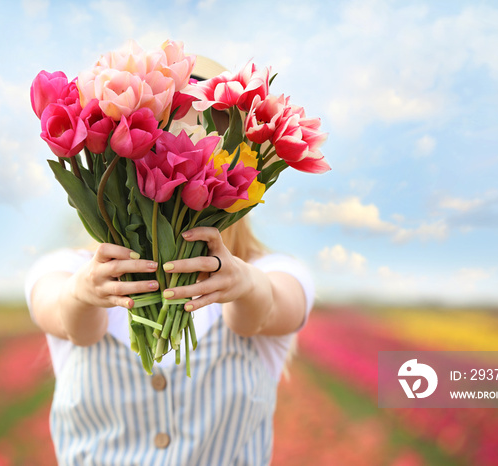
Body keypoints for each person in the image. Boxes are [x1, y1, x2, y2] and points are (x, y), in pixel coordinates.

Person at [25, 55, 316, 466]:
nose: (179, 162)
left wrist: (246, 285)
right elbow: (70, 319)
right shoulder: (70, 271)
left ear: (238, 164)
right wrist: (82, 292)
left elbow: (259, 313)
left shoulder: (272, 273)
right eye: (158, 142)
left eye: (206, 143)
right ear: (121, 161)